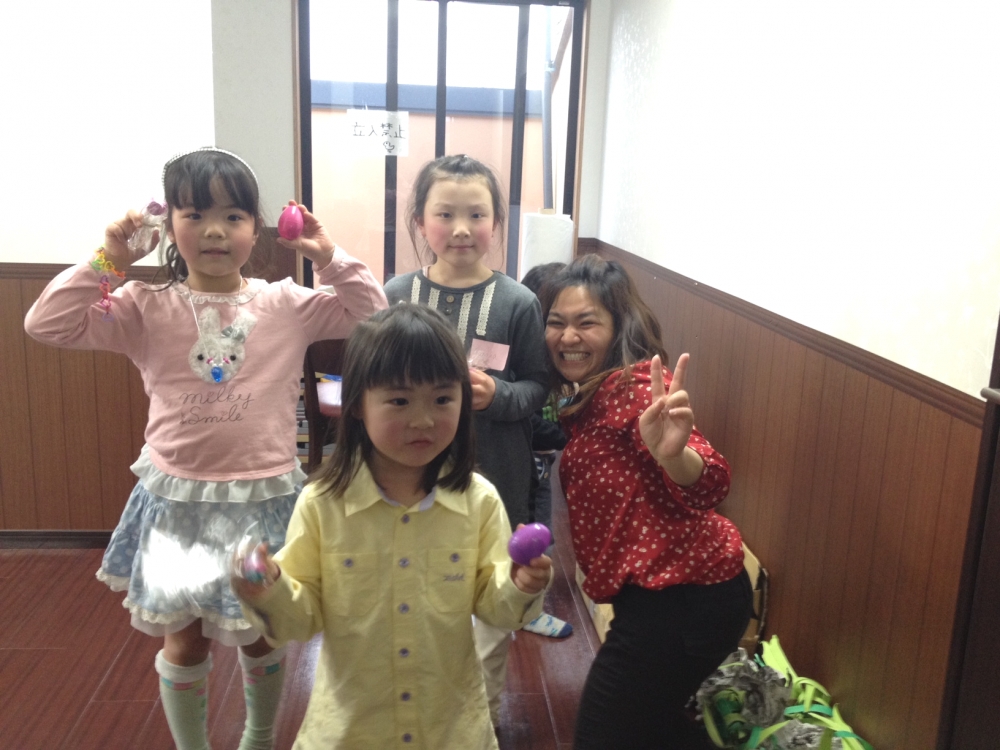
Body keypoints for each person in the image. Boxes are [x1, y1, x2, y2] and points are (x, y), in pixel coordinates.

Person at [23, 147, 388, 750]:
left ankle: (259, 739)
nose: (214, 230)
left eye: (233, 216)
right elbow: (47, 323)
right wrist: (110, 260)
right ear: (168, 227)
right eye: (194, 214)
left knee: (262, 630)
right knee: (185, 638)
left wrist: (326, 255)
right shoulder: (144, 306)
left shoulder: (285, 304)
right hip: (178, 506)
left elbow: (373, 313)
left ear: (255, 230)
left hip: (264, 500)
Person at [233, 303, 551, 749]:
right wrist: (269, 590)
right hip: (351, 734)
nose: (423, 420)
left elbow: (495, 610)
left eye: (443, 399)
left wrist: (519, 585)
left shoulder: (478, 501)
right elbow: (300, 621)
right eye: (399, 400)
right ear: (357, 405)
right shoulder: (323, 504)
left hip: (449, 732)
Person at [540, 254, 753, 750]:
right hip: (664, 598)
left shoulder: (634, 390)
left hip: (687, 599)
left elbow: (711, 482)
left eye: (586, 322)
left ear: (619, 327)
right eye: (556, 322)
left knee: (602, 737)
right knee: (653, 727)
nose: (568, 337)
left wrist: (675, 456)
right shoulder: (589, 397)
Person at [382, 154, 563, 719]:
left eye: (477, 215)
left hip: (496, 475)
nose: (461, 229)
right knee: (415, 598)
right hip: (411, 479)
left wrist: (498, 396)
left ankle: (479, 718)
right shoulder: (397, 294)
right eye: (445, 214)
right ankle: (414, 710)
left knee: (490, 602)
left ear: (496, 222)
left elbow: (539, 385)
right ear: (419, 221)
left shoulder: (518, 302)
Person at [519, 262, 573, 639]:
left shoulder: (552, 356)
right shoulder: (528, 357)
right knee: (535, 535)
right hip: (528, 457)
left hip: (542, 458)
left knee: (540, 531)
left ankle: (525, 605)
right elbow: (529, 419)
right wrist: (568, 437)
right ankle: (527, 610)